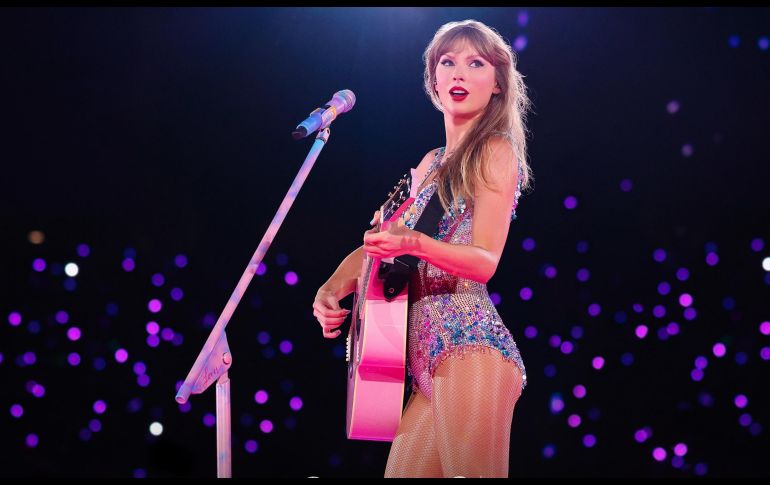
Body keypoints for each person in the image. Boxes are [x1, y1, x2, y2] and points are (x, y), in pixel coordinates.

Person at [312, 19, 534, 478]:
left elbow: (485, 261)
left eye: (476, 63)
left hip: (469, 344)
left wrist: (413, 241)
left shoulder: (495, 150)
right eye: (447, 62)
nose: (459, 73)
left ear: (497, 83)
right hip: (426, 367)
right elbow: (379, 245)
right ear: (433, 79)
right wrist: (332, 287)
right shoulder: (430, 164)